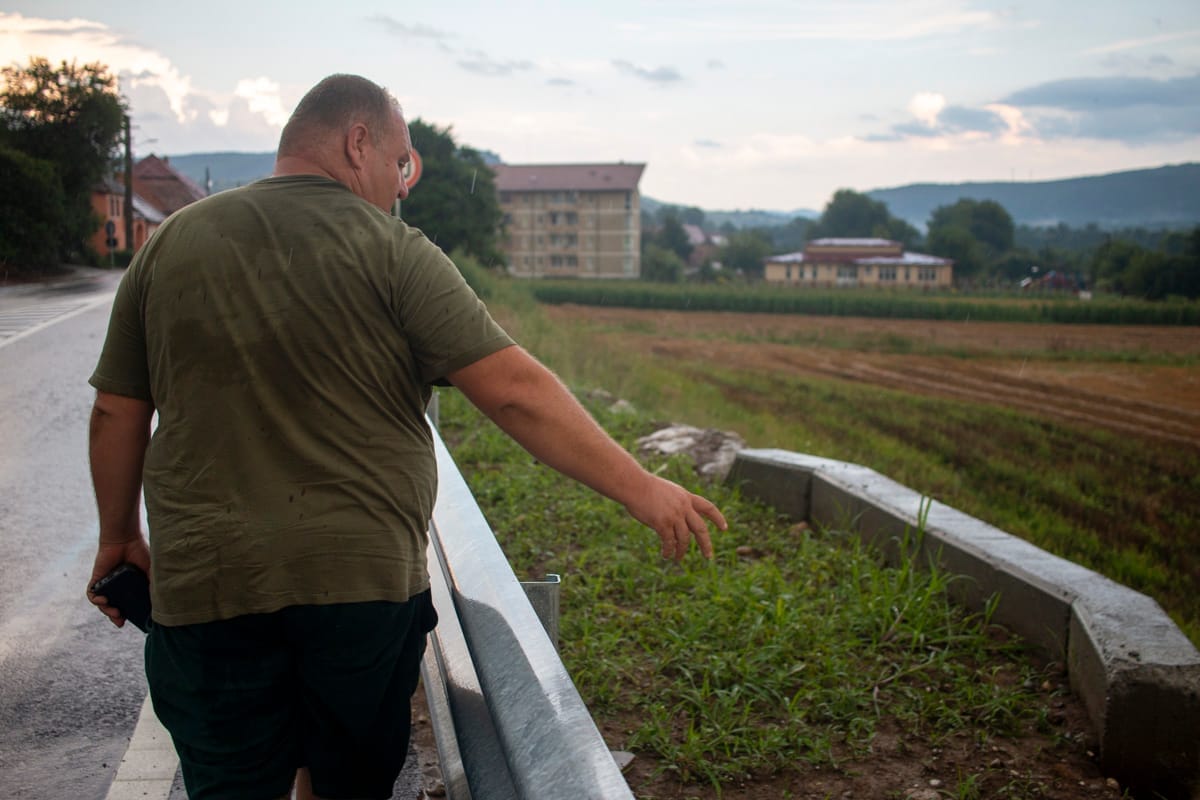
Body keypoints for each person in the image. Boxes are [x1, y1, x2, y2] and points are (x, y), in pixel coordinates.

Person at [86, 73, 726, 800]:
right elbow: (514, 392)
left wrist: (118, 538)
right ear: (357, 144)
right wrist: (643, 490)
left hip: (207, 590)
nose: (403, 186)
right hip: (358, 594)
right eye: (400, 163)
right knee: (345, 784)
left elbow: (116, 414)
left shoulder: (171, 243)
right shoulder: (394, 251)